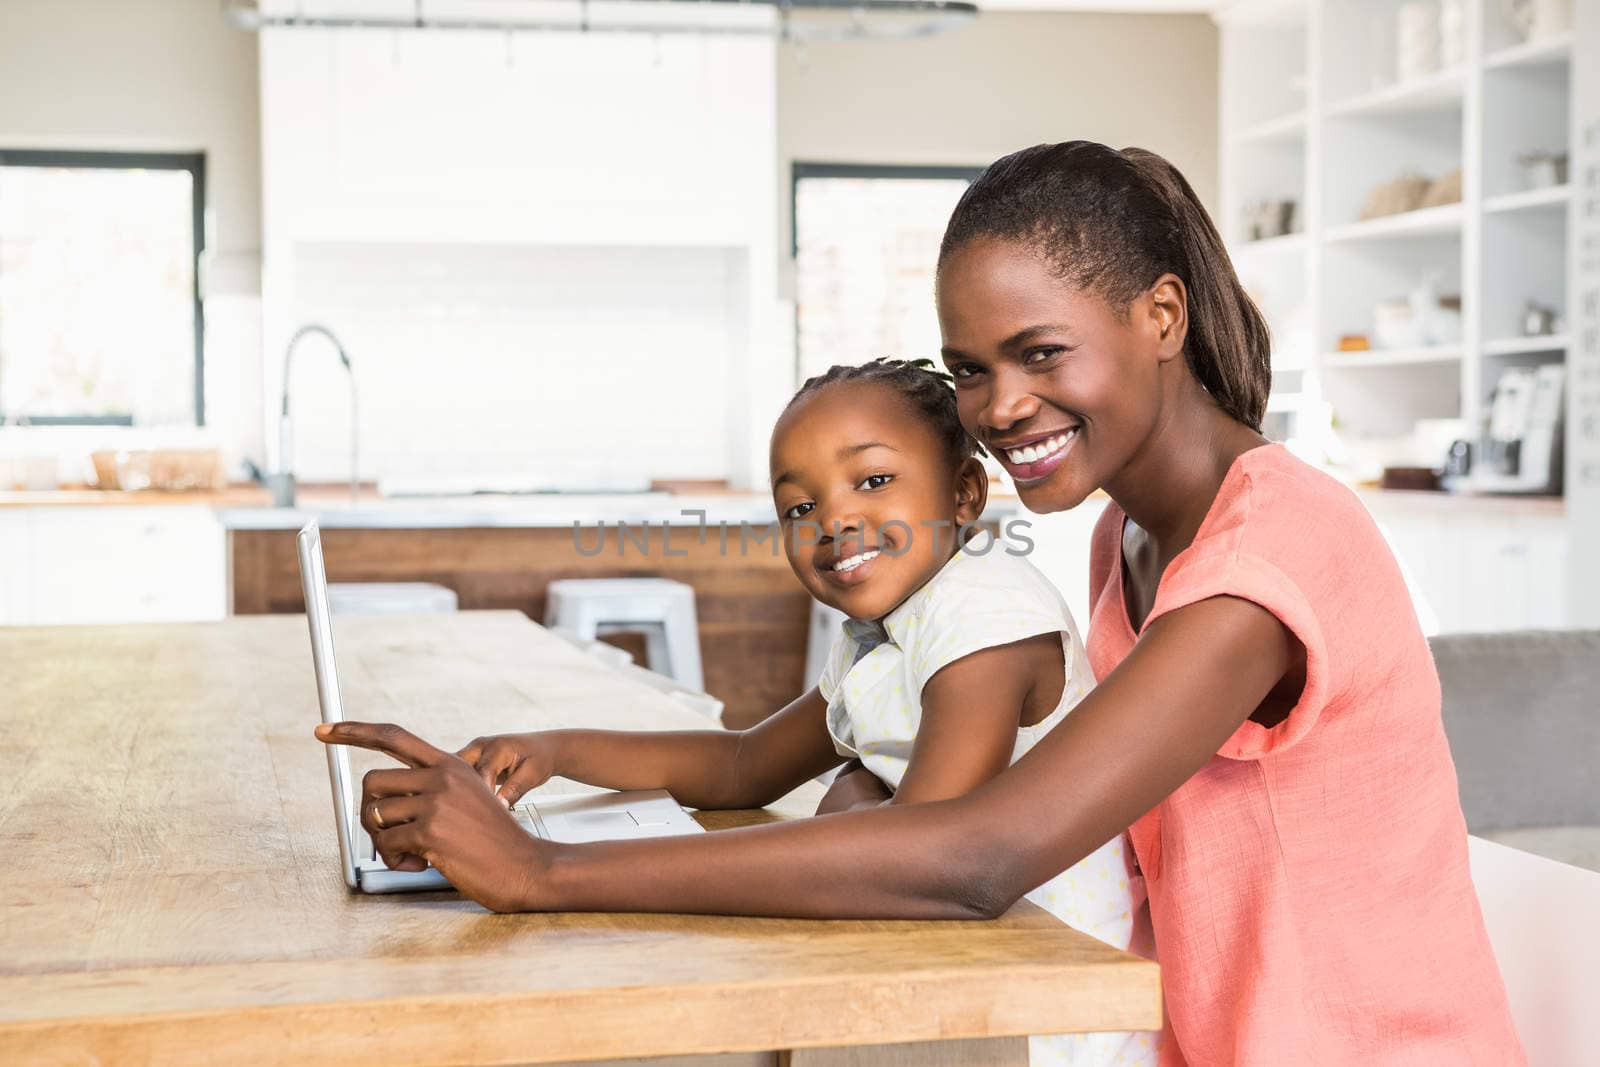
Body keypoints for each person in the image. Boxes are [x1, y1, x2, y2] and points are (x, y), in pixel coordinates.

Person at [318, 141, 1524, 1063]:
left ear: (1159, 315)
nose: (999, 407)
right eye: (972, 369)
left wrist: (543, 872)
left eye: (1040, 353)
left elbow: (980, 851)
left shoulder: (1271, 559)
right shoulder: (1126, 536)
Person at [458, 355, 1151, 1065]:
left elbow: (918, 858)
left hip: (1048, 1019)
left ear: (965, 493)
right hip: (962, 975)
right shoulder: (881, 633)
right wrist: (553, 752)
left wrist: (854, 797)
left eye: (874, 480)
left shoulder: (984, 611)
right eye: (799, 506)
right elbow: (742, 764)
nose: (835, 518)